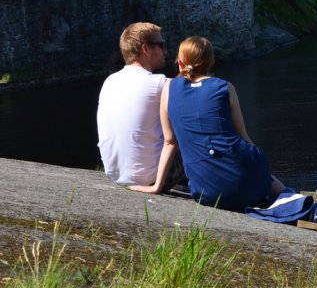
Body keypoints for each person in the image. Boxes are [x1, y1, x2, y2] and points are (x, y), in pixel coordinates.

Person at [130, 35, 285, 210]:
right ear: (210, 61)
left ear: (180, 63)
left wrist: (157, 186)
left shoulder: (169, 88)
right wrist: (262, 171)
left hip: (207, 191)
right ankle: (290, 195)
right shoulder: (226, 87)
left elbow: (170, 142)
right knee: (260, 172)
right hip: (246, 179)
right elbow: (244, 138)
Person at [97, 21, 168, 187]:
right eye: (161, 45)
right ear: (145, 49)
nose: (165, 51)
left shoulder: (110, 81)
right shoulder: (159, 83)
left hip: (114, 174)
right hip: (147, 177)